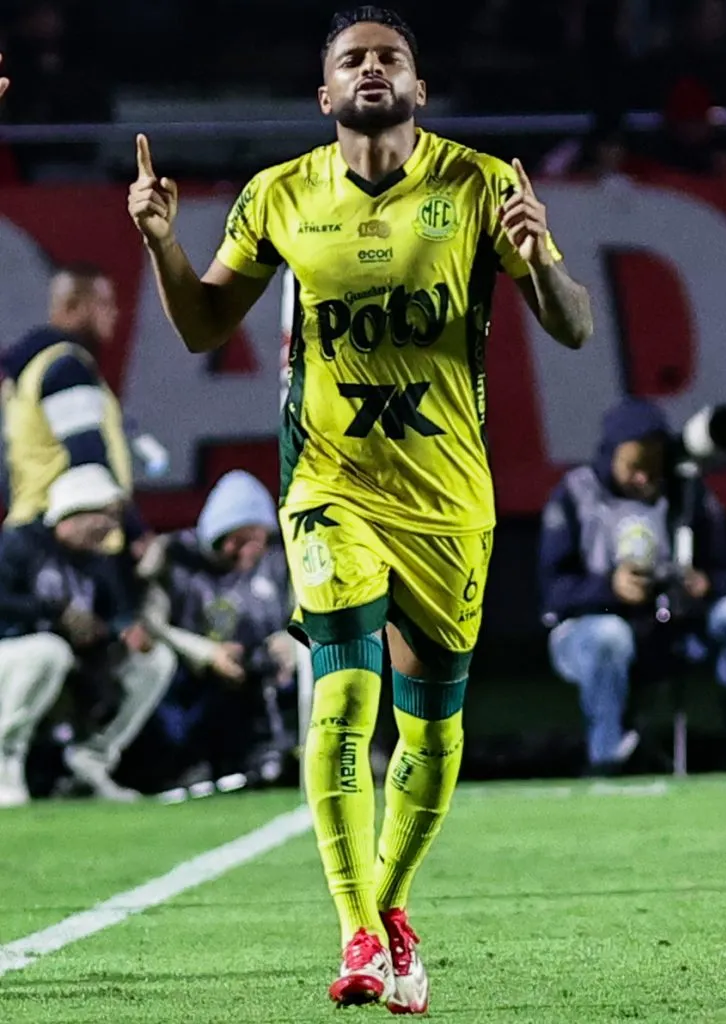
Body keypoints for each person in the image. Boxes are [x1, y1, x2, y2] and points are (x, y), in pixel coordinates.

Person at [128, 6, 592, 1012]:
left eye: (390, 57)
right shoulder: (279, 195)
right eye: (352, 58)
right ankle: (355, 931)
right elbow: (205, 324)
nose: (371, 67)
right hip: (329, 485)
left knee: (430, 729)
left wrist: (544, 257)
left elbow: (574, 329)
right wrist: (165, 246)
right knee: (344, 695)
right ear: (325, 94)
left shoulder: (476, 185)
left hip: (449, 501)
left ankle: (391, 908)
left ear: (418, 89)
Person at [538, 397, 726, 776]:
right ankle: (606, 759)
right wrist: (610, 588)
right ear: (611, 455)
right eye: (633, 467)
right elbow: (553, 595)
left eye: (652, 467)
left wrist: (706, 583)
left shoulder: (685, 491)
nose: (644, 478)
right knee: (609, 636)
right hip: (591, 634)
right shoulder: (574, 494)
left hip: (670, 629)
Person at [0, 464, 176, 808]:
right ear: (76, 509)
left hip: (70, 670)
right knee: (48, 651)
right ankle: (5, 761)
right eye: (104, 515)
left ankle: (90, 761)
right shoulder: (20, 543)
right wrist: (54, 616)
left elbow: (115, 615)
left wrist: (123, 633)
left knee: (154, 660)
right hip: (13, 659)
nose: (111, 526)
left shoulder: (100, 563)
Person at [138, 470, 296, 790]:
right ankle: (177, 766)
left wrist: (291, 640)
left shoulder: (282, 558)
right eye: (237, 540)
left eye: (256, 539)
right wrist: (208, 654)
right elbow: (153, 623)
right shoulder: (174, 556)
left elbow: (305, 612)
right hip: (192, 674)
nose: (248, 550)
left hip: (264, 672)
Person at [0, 263, 132, 529]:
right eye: (104, 303)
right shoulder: (66, 368)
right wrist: (134, 531)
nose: (115, 313)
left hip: (33, 525)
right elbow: (89, 461)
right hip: (71, 532)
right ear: (73, 307)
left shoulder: (29, 371)